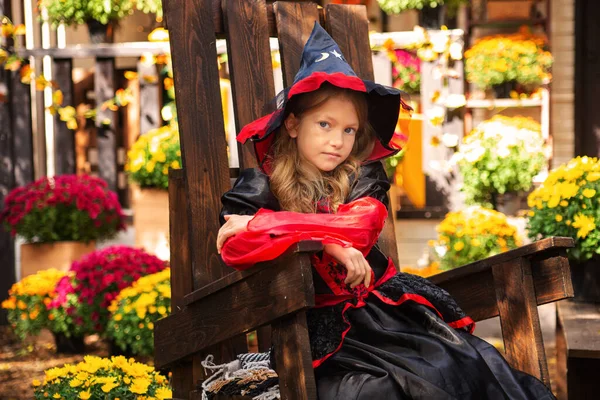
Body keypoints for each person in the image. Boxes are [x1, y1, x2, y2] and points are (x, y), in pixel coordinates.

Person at [216, 23, 555, 400]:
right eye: (324, 124)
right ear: (293, 124)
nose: (337, 141)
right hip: (312, 333)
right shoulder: (260, 185)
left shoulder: (362, 175)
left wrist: (294, 231)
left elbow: (359, 229)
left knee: (460, 367)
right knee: (376, 391)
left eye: (349, 130)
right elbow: (235, 246)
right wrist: (327, 242)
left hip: (387, 316)